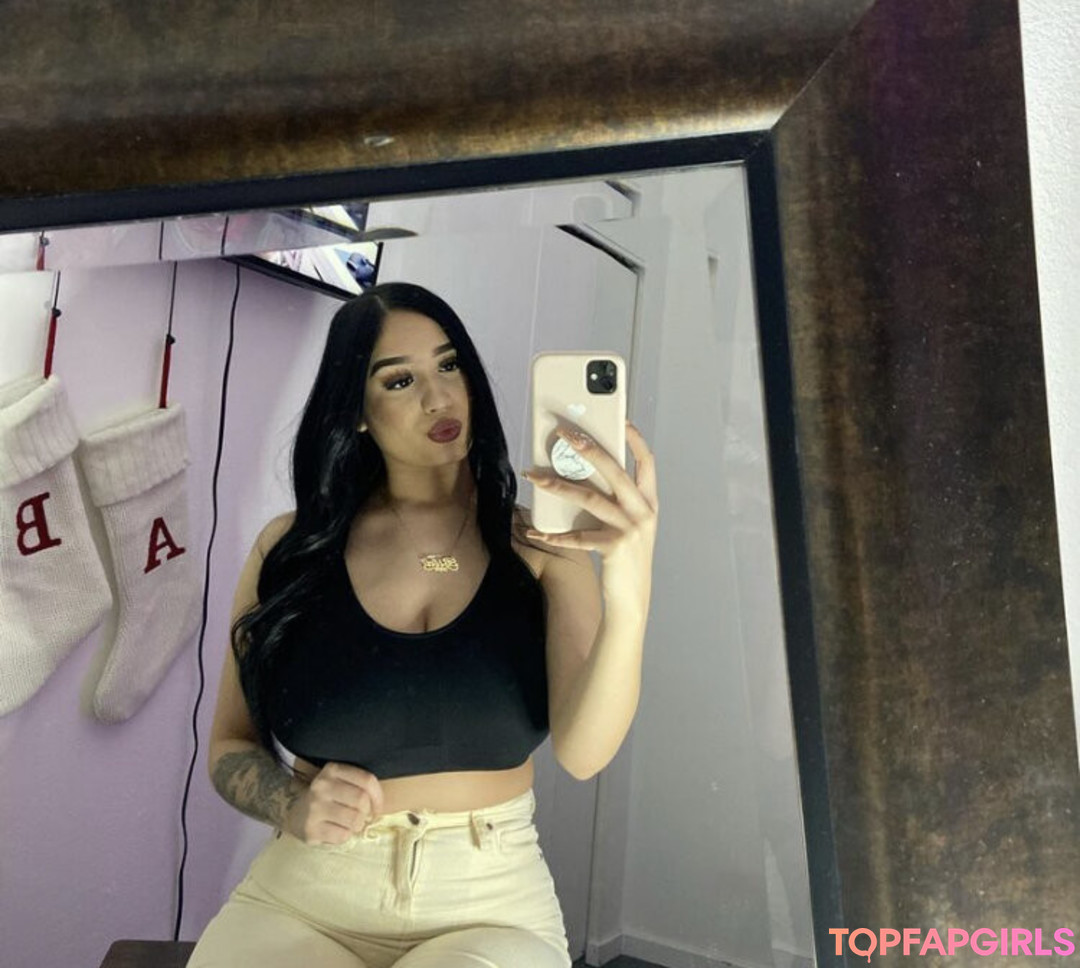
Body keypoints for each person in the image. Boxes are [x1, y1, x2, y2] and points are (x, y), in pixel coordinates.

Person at [189, 282, 658, 967]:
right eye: (400, 380)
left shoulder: (542, 549)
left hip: (488, 903)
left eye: (450, 365)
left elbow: (585, 754)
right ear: (356, 411)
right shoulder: (289, 551)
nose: (438, 398)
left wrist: (630, 590)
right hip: (304, 897)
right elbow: (229, 747)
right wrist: (289, 804)